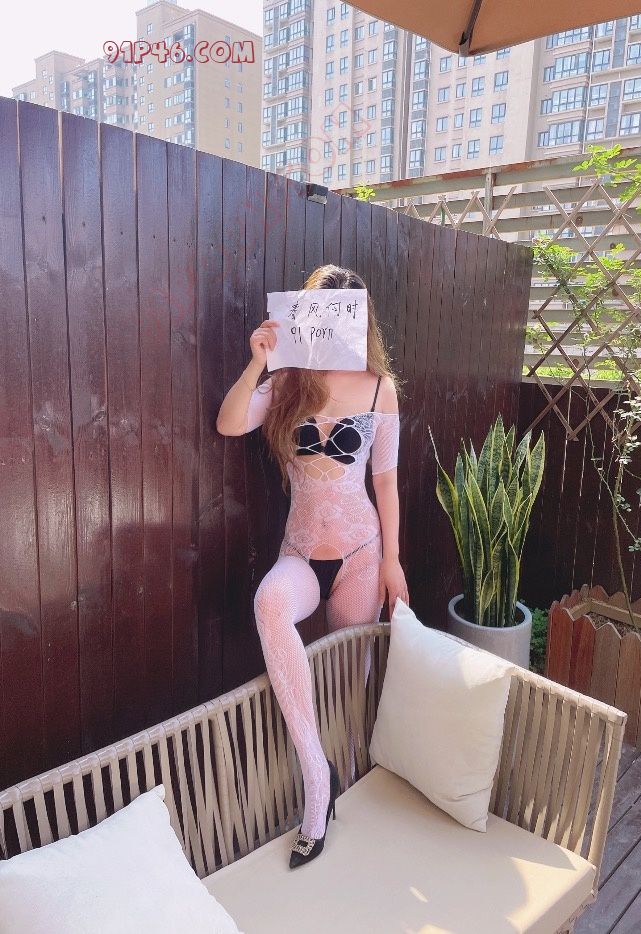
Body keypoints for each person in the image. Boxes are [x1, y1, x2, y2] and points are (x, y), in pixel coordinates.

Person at [216, 265, 408, 869]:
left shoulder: (379, 388)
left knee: (349, 673)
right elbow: (229, 422)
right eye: (319, 311)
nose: (331, 323)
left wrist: (393, 562)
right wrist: (258, 362)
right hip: (300, 553)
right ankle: (316, 778)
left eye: (343, 313)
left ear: (359, 320)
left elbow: (386, 483)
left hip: (361, 553)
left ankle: (346, 772)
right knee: (270, 604)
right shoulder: (288, 382)